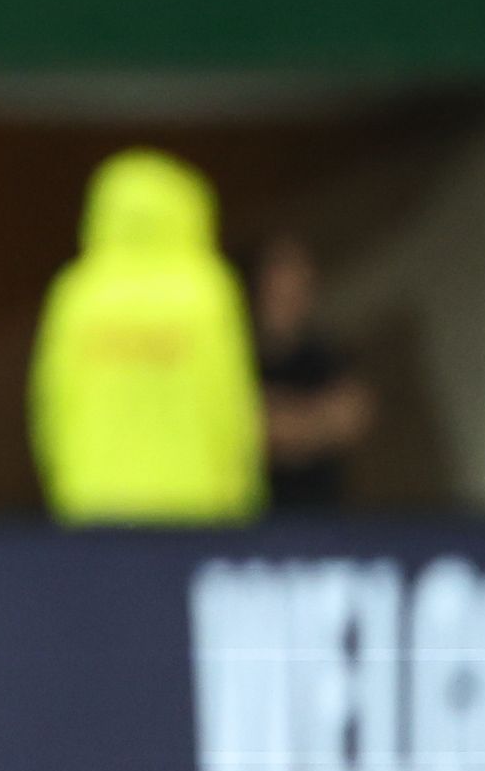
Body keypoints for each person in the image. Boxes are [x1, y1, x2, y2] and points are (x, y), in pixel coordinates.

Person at [29, 151, 263, 524]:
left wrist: (61, 489)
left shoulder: (78, 294)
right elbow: (230, 403)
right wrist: (241, 499)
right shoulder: (207, 290)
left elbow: (51, 402)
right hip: (197, 505)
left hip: (93, 502)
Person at [252, 231, 373, 512]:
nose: (289, 292)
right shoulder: (237, 356)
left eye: (299, 281)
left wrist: (285, 421)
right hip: (251, 525)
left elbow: (352, 418)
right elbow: (247, 428)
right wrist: (316, 421)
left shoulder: (328, 357)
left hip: (321, 520)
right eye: (279, 279)